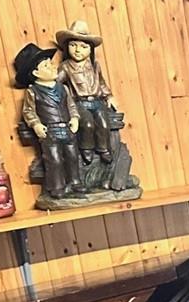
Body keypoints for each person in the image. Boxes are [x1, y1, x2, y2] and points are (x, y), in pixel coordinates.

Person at [56, 20, 133, 192]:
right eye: (73, 46)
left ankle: (103, 148)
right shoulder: (66, 67)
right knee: (88, 124)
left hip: (97, 101)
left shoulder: (94, 66)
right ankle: (87, 148)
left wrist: (109, 96)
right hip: (80, 102)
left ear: (90, 50)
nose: (77, 50)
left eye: (83, 47)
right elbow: (57, 85)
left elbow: (102, 83)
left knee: (103, 123)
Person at [12, 43, 80, 201]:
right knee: (54, 160)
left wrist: (75, 118)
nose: (52, 67)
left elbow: (71, 106)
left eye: (51, 63)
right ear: (36, 72)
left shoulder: (63, 88)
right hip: (50, 131)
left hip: (67, 128)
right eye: (46, 66)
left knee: (72, 156)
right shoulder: (33, 91)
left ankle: (75, 182)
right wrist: (36, 124)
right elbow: (28, 111)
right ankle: (57, 186)